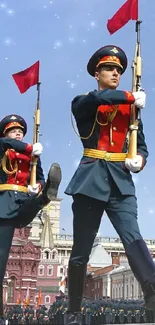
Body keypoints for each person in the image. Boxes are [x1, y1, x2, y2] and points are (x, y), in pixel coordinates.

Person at [64, 45, 155, 325]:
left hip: (121, 182)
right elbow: (98, 98)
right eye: (109, 68)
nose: (116, 73)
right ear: (97, 73)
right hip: (91, 179)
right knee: (81, 250)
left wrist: (138, 160)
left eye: (119, 70)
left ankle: (152, 294)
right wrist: (130, 96)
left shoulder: (131, 112)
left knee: (134, 237)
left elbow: (141, 146)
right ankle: (74, 311)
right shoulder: (84, 102)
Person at [0, 114, 62, 324]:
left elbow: (40, 176)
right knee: (1, 262)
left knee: (40, 196)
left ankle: (46, 196)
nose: (18, 133)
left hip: (24, 203)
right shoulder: (3, 149)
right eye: (13, 131)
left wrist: (40, 185)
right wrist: (27, 148)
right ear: (5, 134)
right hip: (4, 205)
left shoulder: (32, 157)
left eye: (21, 131)